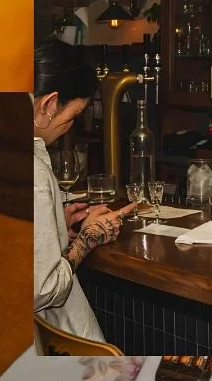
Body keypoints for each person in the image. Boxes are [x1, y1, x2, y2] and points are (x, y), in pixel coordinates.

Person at [33, 39, 135, 342]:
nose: (70, 126)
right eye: (73, 116)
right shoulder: (33, 170)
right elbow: (43, 290)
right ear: (49, 104)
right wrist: (89, 238)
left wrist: (54, 223)